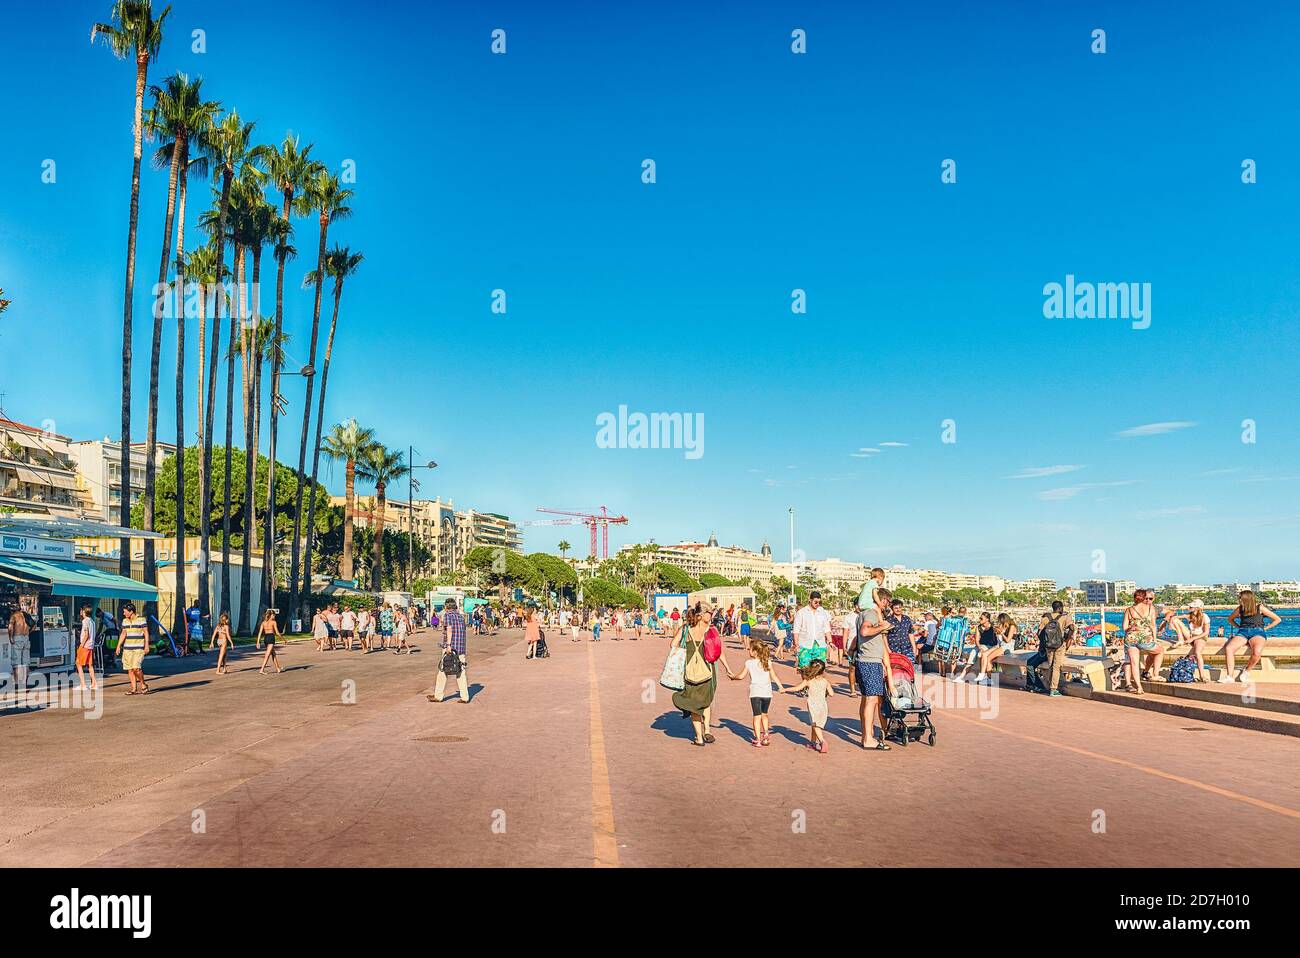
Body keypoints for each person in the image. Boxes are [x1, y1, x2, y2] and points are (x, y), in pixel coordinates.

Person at [669, 603, 732, 746]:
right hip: (708, 671)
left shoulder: (685, 629)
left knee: (694, 705)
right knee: (706, 701)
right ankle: (707, 730)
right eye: (709, 612)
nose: (712, 615)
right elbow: (719, 651)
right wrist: (727, 668)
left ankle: (699, 737)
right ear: (701, 615)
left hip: (689, 671)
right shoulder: (711, 630)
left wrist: (686, 648)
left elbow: (673, 645)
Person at [853, 588, 896, 749]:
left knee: (866, 699)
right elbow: (865, 631)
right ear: (882, 601)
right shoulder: (870, 613)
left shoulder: (864, 614)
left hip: (865, 661)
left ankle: (867, 734)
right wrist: (882, 626)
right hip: (870, 662)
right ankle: (868, 739)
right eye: (887, 602)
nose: (887, 606)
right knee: (871, 700)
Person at [728, 639, 782, 746]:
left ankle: (757, 739)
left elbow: (741, 676)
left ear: (755, 652)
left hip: (755, 693)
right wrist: (781, 687)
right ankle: (766, 735)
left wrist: (733, 677)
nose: (749, 650)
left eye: (750, 649)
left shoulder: (749, 663)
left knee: (756, 716)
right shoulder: (768, 662)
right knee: (765, 714)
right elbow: (774, 676)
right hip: (767, 693)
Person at [1221, 590, 1282, 683]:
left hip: (1257, 632)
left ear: (1246, 599)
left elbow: (1277, 619)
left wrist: (1265, 629)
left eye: (1240, 598)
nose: (1239, 600)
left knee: (1257, 652)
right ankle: (1230, 677)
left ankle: (1246, 671)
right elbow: (1230, 619)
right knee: (1229, 648)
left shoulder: (1260, 608)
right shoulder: (1240, 609)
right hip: (1243, 632)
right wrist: (1238, 627)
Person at [785, 659, 833, 753]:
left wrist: (785, 690)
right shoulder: (825, 681)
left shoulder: (809, 681)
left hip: (813, 706)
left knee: (815, 725)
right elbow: (831, 694)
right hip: (823, 706)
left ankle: (822, 741)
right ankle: (813, 742)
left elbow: (797, 688)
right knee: (815, 724)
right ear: (823, 671)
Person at [1121, 590, 1160, 693]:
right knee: (1159, 651)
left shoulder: (1129, 610)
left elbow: (1125, 627)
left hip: (1131, 638)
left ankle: (1139, 687)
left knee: (1134, 663)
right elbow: (1153, 625)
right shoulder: (1150, 608)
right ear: (1144, 598)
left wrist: (1131, 628)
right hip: (1144, 639)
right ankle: (1155, 674)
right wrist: (1155, 639)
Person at [432, 598, 470, 703]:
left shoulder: (448, 615)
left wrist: (448, 645)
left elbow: (449, 629)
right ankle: (465, 696)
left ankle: (438, 695)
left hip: (451, 647)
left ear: (446, 606)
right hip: (461, 647)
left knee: (443, 670)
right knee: (461, 671)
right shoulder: (461, 617)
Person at [1037, 600, 1074, 697]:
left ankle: (1049, 686)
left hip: (1048, 646)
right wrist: (1066, 639)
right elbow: (1072, 628)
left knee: (1050, 665)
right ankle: (1053, 689)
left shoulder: (1045, 617)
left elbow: (1039, 633)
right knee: (1056, 667)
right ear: (1060, 608)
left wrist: (1045, 642)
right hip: (1059, 645)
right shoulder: (1065, 617)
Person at [793, 590, 832, 669]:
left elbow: (827, 629)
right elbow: (796, 630)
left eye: (819, 602)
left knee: (819, 669)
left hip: (819, 644)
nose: (818, 604)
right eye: (815, 602)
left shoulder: (823, 613)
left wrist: (830, 642)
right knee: (805, 669)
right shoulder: (801, 613)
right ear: (810, 600)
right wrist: (796, 644)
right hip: (804, 644)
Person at [117, 602, 150, 695]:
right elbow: (123, 633)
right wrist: (118, 646)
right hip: (127, 649)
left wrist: (146, 645)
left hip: (138, 649)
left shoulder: (141, 620)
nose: (124, 613)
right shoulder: (125, 621)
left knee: (136, 668)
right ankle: (133, 689)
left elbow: (146, 632)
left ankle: (143, 684)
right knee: (130, 669)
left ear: (131, 611)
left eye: (125, 612)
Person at [6, 603, 33, 691]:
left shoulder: (14, 616)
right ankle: (25, 682)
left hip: (17, 638)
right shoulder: (26, 615)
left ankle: (17, 683)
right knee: (26, 662)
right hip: (26, 638)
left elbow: (10, 627)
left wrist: (10, 637)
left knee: (16, 662)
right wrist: (28, 633)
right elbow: (34, 625)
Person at [75, 605, 97, 691]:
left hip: (85, 646)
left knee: (78, 664)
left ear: (84, 612)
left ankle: (83, 684)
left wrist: (81, 645)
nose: (80, 612)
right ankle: (94, 683)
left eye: (81, 610)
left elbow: (86, 634)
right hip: (91, 645)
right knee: (90, 665)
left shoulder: (85, 621)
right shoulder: (92, 621)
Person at [256, 609, 282, 674]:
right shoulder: (274, 622)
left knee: (273, 654)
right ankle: (262, 669)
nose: (274, 616)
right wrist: (284, 640)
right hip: (271, 638)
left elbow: (260, 633)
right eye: (274, 615)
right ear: (271, 615)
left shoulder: (263, 622)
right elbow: (277, 633)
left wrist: (258, 642)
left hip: (266, 638)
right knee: (267, 655)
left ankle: (278, 668)